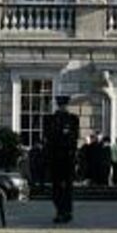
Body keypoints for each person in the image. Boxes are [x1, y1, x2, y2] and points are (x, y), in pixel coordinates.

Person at [42, 94, 80, 223]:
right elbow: (48, 138)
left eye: (64, 105)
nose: (63, 107)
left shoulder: (73, 119)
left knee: (68, 187)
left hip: (68, 157)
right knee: (56, 187)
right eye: (61, 105)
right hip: (55, 157)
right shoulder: (50, 119)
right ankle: (60, 211)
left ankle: (67, 211)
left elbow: (74, 138)